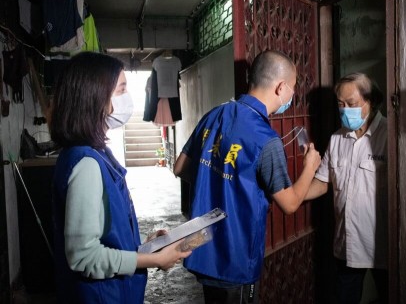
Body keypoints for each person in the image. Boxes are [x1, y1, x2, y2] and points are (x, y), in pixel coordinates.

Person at [173, 50, 321, 304]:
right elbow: (290, 203)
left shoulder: (214, 115)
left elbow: (180, 168)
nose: (292, 95)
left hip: (204, 247)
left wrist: (217, 183)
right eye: (293, 88)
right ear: (281, 87)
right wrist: (310, 166)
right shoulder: (266, 139)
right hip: (236, 256)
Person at [49, 52, 191, 304]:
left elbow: (104, 232)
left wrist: (144, 247)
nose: (128, 98)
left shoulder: (96, 154)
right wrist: (152, 259)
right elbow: (83, 257)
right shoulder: (87, 165)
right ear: (96, 97)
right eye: (122, 89)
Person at [305, 72, 388, 303]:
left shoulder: (389, 137)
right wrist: (293, 194)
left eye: (351, 104)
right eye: (340, 104)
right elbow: (323, 182)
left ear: (370, 101)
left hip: (383, 243)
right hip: (347, 244)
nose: (344, 110)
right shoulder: (337, 139)